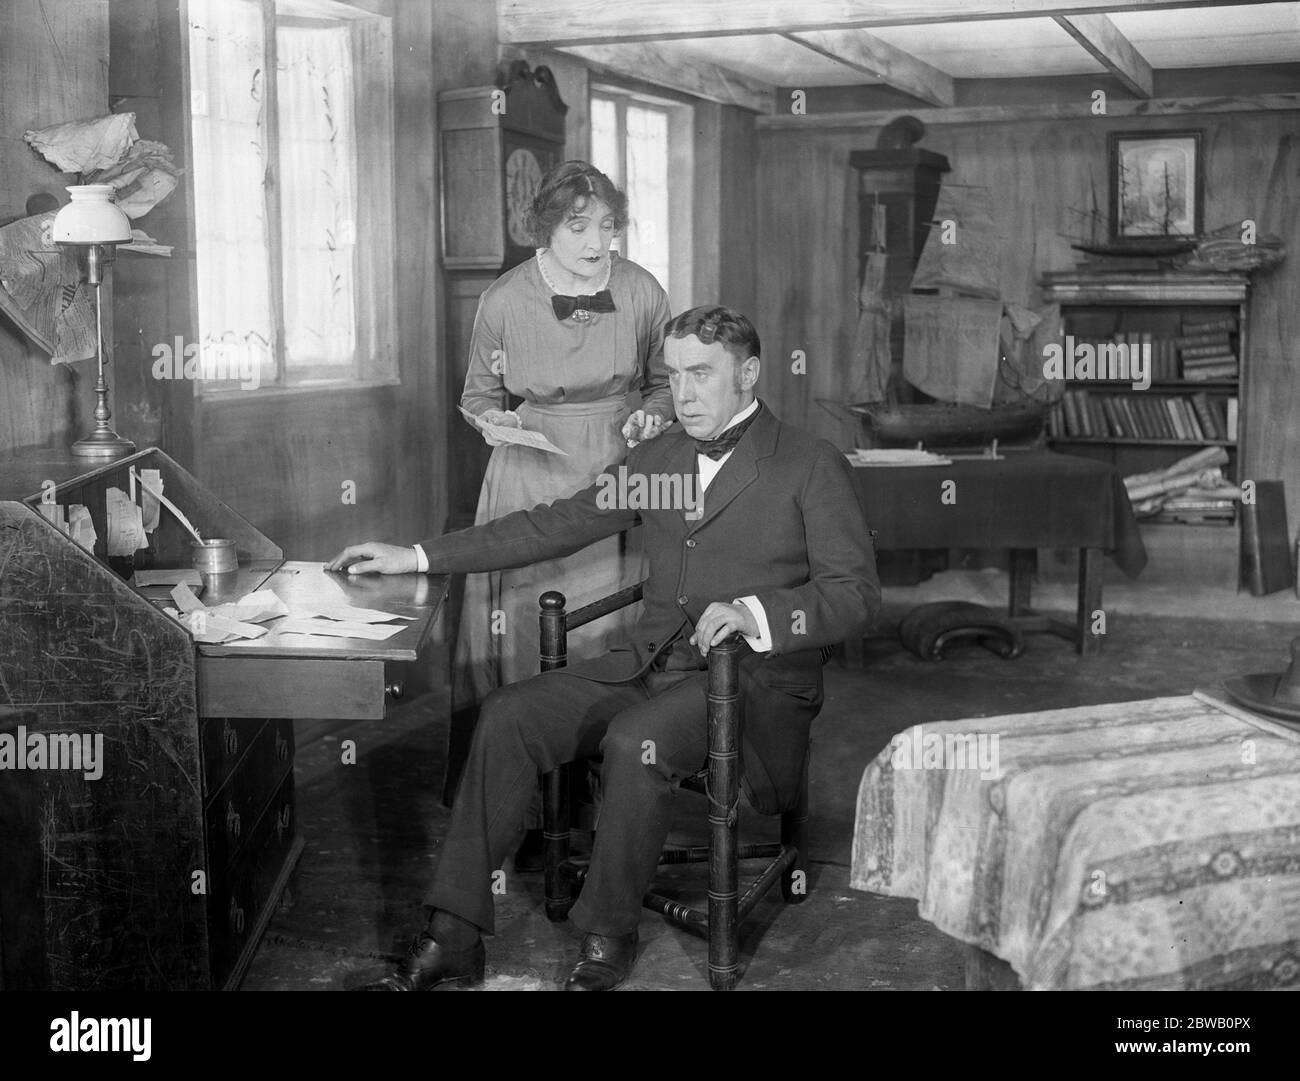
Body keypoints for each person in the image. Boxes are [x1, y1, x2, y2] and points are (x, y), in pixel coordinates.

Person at [328, 305, 879, 991]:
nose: (683, 393)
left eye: (702, 375)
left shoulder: (809, 463)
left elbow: (855, 594)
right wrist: (415, 556)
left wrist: (755, 611)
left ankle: (608, 934)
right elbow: (552, 525)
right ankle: (453, 934)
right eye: (674, 375)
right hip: (653, 665)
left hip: (755, 684)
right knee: (507, 714)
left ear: (749, 373)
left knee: (632, 740)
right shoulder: (662, 457)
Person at [448, 160, 674, 813]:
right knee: (528, 626)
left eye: (607, 226)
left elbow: (667, 380)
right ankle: (534, 793)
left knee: (611, 625)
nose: (596, 241)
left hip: (618, 462)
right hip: (533, 475)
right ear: (546, 226)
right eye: (579, 226)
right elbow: (478, 396)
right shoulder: (503, 300)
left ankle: (612, 780)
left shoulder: (640, 290)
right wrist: (493, 421)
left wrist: (652, 413)